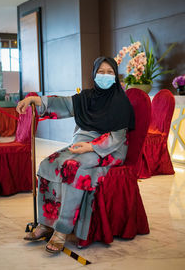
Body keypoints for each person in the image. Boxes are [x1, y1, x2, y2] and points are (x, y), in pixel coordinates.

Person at [16, 56, 135, 254]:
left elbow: (118, 137)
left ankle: (62, 230)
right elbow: (64, 104)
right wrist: (33, 99)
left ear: (115, 76)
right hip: (82, 144)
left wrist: (91, 147)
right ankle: (46, 223)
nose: (105, 76)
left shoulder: (120, 102)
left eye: (110, 72)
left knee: (72, 167)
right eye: (101, 72)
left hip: (109, 148)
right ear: (94, 74)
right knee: (48, 164)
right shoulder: (87, 97)